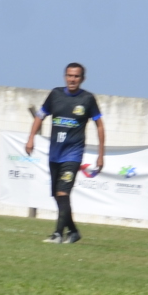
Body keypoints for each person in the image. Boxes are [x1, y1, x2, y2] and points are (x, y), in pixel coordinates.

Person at [24, 62, 104, 243]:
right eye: (69, 75)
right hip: (55, 154)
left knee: (63, 193)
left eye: (76, 76)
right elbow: (40, 116)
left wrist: (100, 154)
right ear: (64, 77)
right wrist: (31, 138)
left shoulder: (88, 99)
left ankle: (58, 234)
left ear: (82, 79)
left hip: (73, 155)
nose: (72, 79)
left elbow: (99, 125)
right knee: (57, 195)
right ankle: (74, 232)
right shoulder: (55, 95)